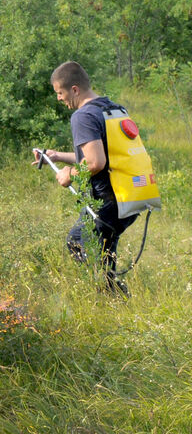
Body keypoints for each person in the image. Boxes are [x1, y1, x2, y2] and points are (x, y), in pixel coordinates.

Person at [33, 61, 137, 295]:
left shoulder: (83, 116)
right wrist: (58, 156)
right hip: (128, 195)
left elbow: (95, 163)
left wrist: (70, 173)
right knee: (101, 254)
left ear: (75, 89)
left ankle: (115, 303)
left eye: (60, 93)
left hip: (108, 199)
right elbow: (103, 155)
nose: (59, 98)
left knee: (80, 243)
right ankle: (116, 300)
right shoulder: (112, 108)